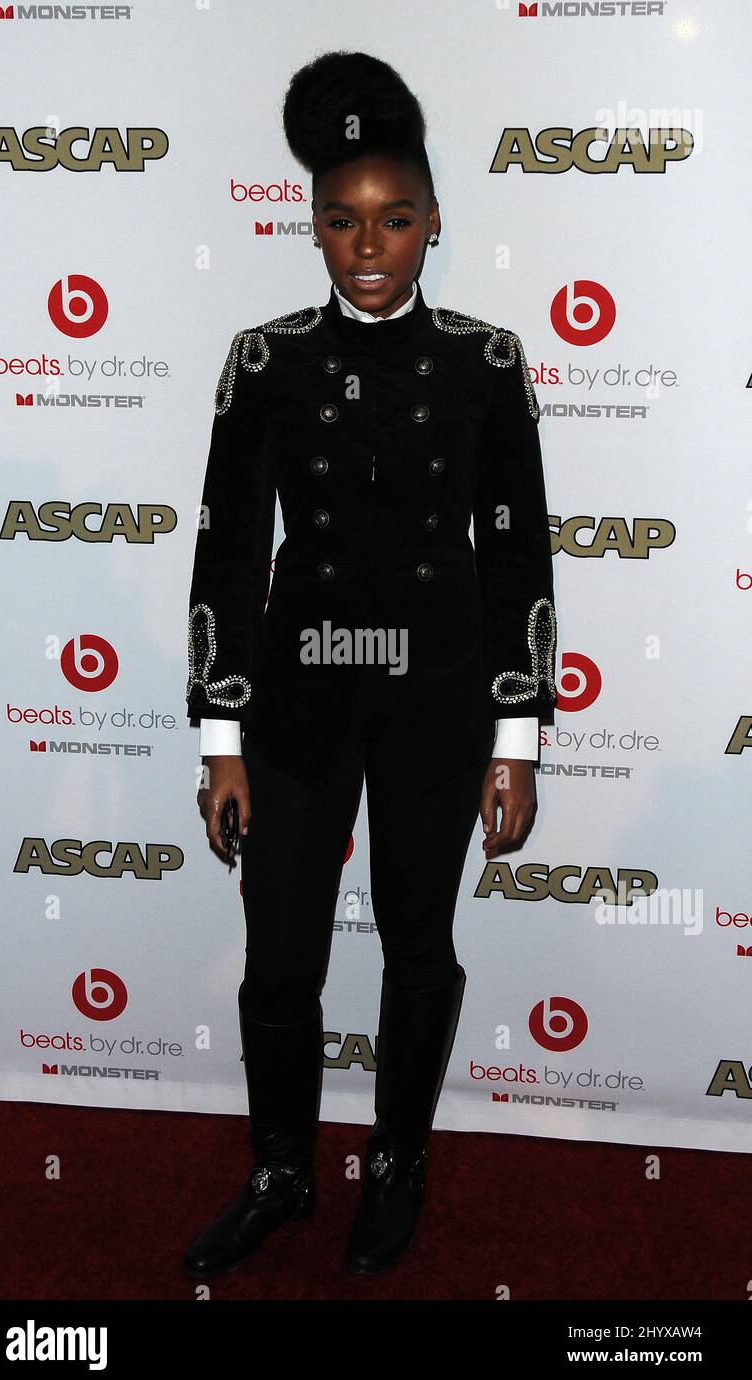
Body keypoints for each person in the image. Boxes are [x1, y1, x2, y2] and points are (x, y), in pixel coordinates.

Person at [183, 51, 557, 1279]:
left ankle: (395, 1161)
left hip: (437, 707)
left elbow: (516, 558)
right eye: (341, 220)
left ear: (432, 221)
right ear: (311, 228)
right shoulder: (262, 362)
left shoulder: (486, 366)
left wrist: (517, 737)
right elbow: (232, 553)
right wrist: (218, 736)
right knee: (280, 951)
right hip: (295, 701)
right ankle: (282, 1169)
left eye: (395, 217)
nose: (368, 244)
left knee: (416, 942)